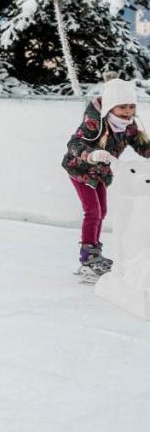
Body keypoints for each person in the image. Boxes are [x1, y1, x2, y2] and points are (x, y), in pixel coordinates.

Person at [61, 74, 150, 283]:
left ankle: (95, 250)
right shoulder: (94, 124)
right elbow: (73, 144)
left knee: (103, 211)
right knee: (93, 211)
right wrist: (90, 155)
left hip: (100, 172)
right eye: (122, 107)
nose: (128, 112)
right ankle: (88, 257)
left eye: (131, 106)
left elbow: (143, 147)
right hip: (80, 169)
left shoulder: (128, 126)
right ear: (110, 106)